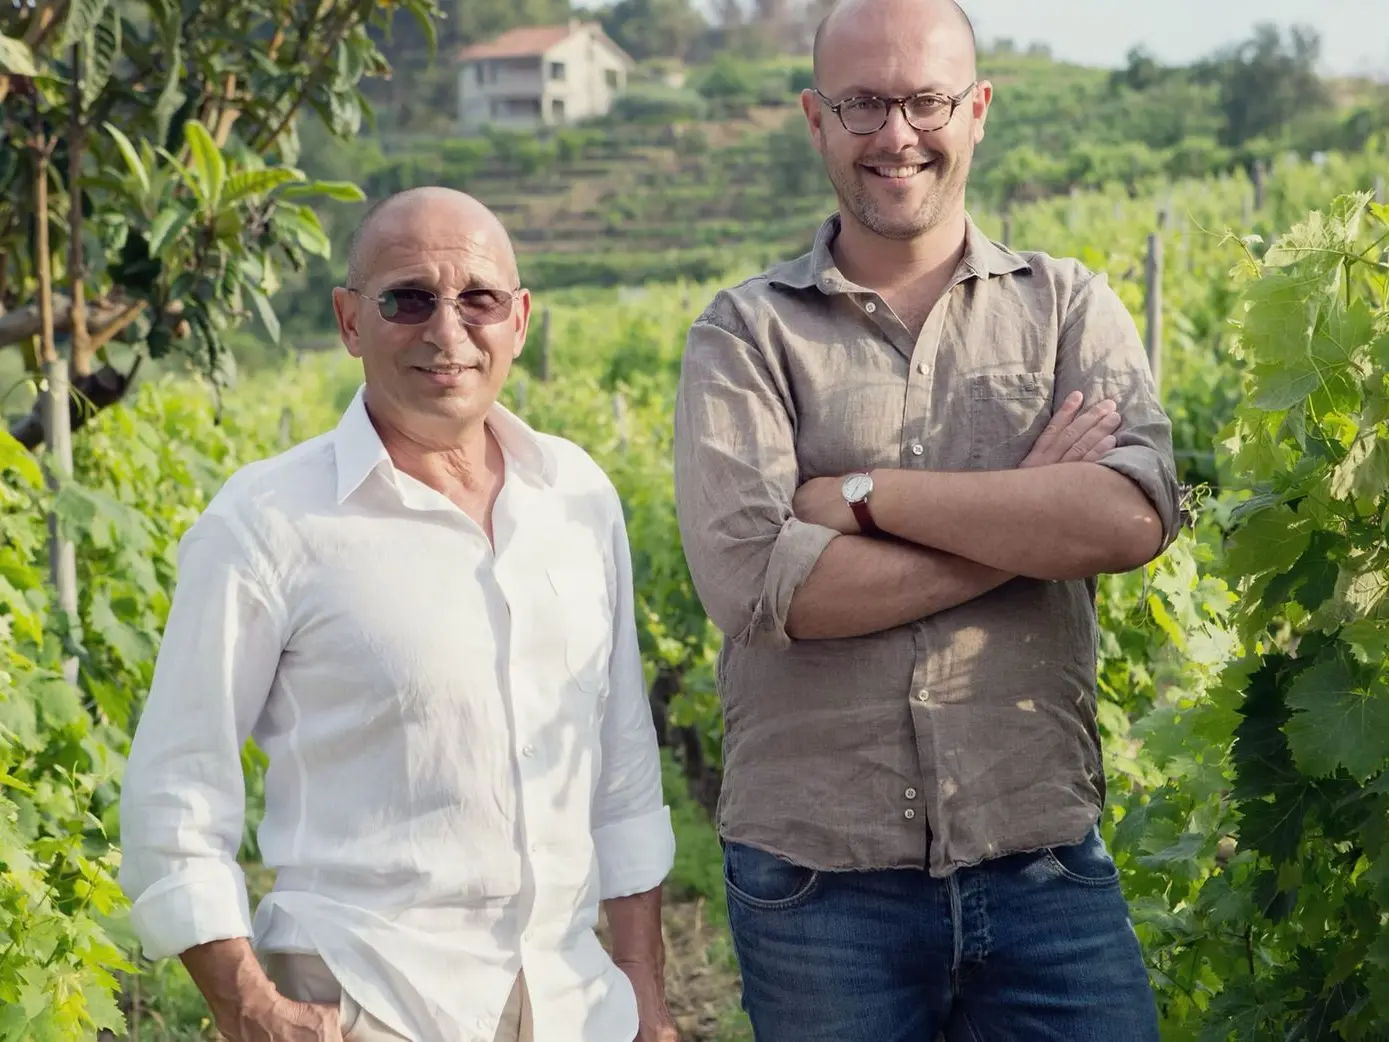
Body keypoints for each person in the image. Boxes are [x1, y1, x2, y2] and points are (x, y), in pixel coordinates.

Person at [671, 0, 1180, 1039]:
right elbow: (764, 587)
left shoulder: (1071, 308)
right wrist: (1025, 522)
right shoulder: (743, 335)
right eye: (863, 103)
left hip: (1042, 860)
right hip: (819, 884)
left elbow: (1129, 517)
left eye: (925, 100)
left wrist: (867, 499)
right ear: (816, 119)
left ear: (977, 109)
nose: (895, 133)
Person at [119, 187, 680, 1042]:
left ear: (519, 320)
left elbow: (621, 764)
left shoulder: (577, 496)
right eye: (407, 298)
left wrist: (643, 991)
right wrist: (251, 1009)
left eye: (478, 299)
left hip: (573, 1003)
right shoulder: (266, 524)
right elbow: (177, 791)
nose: (447, 330)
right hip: (368, 1001)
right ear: (350, 321)